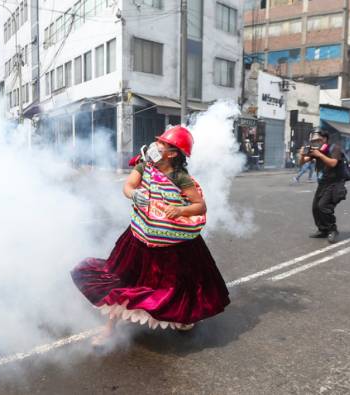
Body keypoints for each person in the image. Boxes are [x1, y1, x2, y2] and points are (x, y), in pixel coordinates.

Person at [71, 126, 230, 346]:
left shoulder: (180, 177)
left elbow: (200, 206)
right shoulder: (145, 164)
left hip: (173, 243)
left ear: (172, 153)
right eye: (158, 141)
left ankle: (183, 319)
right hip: (139, 235)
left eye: (163, 144)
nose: (156, 145)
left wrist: (180, 210)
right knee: (122, 280)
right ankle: (109, 330)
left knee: (180, 287)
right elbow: (128, 186)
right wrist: (134, 194)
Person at [299, 130, 347, 244]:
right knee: (315, 208)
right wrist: (302, 154)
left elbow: (333, 163)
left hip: (335, 183)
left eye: (318, 140)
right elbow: (302, 163)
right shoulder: (316, 151)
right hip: (323, 184)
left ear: (325, 139)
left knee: (323, 206)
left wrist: (319, 155)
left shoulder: (334, 148)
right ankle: (323, 230)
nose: (315, 142)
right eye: (313, 141)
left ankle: (332, 230)